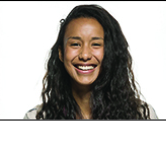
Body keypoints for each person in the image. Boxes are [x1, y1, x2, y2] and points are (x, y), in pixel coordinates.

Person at [24, 4, 158, 119]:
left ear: (111, 52)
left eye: (96, 44)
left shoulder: (142, 116)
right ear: (61, 53)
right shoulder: (37, 119)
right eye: (75, 44)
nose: (85, 55)